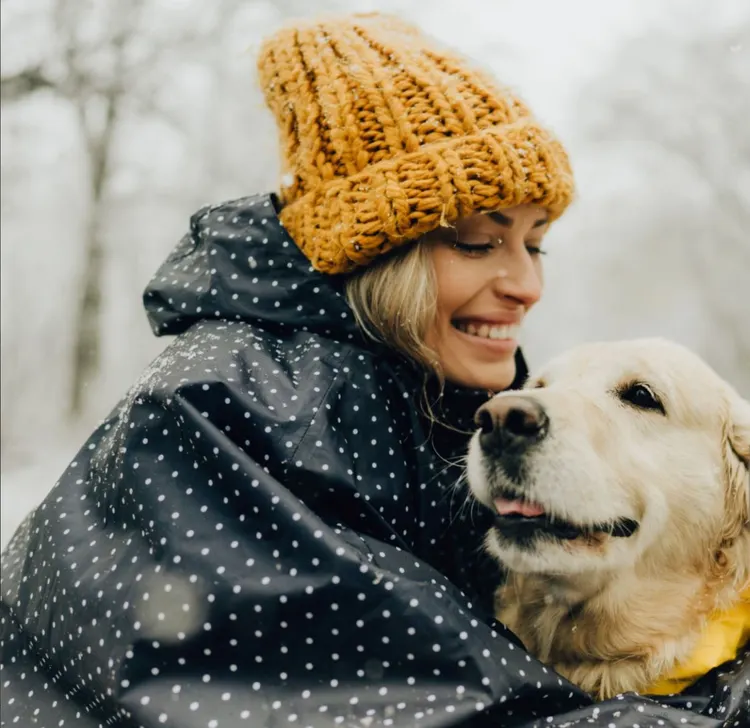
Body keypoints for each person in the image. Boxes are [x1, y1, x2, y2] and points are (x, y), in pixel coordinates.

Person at [1, 13, 746, 728]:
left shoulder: (419, 397)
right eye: (479, 243)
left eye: (535, 243)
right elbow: (413, 707)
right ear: (377, 251)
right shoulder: (226, 406)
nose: (527, 284)